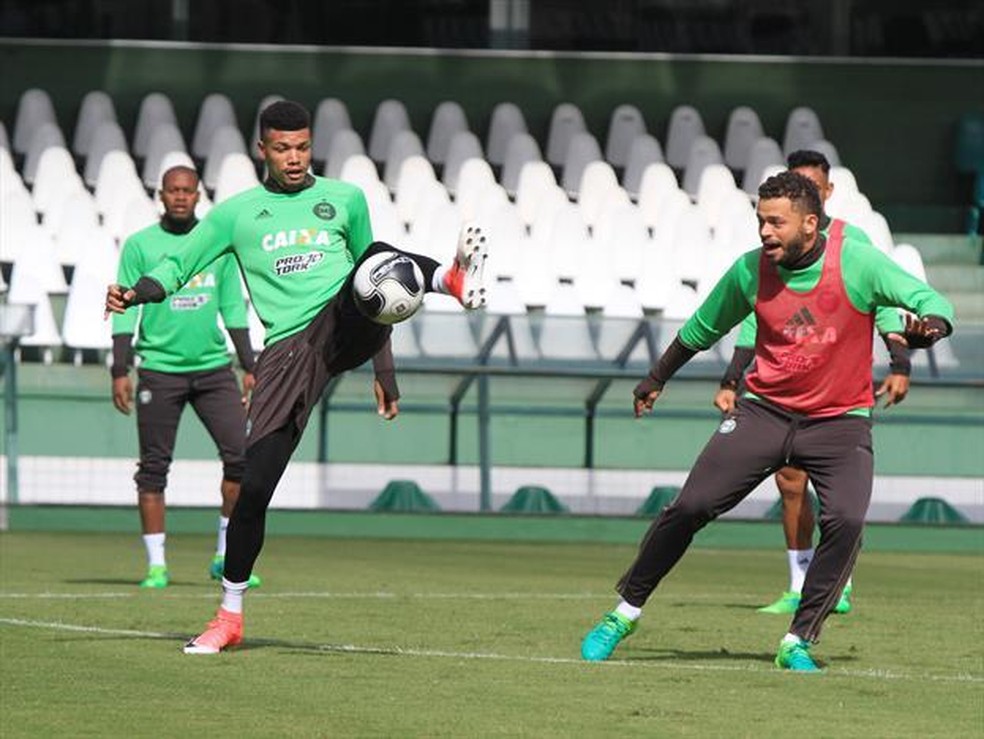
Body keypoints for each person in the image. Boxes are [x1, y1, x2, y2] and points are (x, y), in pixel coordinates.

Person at [104, 100, 488, 654]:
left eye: (303, 147)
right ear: (262, 149)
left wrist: (385, 368)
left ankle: (447, 279)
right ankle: (229, 617)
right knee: (254, 488)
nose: (294, 158)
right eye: (282, 148)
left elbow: (374, 277)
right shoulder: (236, 214)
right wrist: (137, 292)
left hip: (342, 321)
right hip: (287, 353)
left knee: (377, 257)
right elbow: (179, 264)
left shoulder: (344, 199)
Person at [580, 170, 953, 671]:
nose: (764, 232)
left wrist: (930, 328)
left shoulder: (857, 262)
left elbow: (931, 302)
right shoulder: (750, 270)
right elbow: (701, 328)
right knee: (691, 505)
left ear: (810, 224)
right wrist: (655, 378)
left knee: (847, 520)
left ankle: (797, 640)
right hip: (764, 413)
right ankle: (623, 613)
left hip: (839, 422)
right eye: (760, 220)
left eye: (776, 222)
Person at [714, 149, 912, 616]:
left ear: (825, 193)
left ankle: (836, 580)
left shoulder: (851, 241)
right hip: (782, 387)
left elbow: (882, 300)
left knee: (836, 494)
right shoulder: (774, 251)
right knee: (788, 483)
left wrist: (899, 361)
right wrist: (732, 377)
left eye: (812, 184)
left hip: (836, 390)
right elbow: (758, 315)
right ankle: (798, 580)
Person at [112, 165, 260, 589]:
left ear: (199, 196)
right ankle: (156, 565)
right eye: (173, 190)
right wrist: (119, 369)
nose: (180, 197)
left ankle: (224, 556)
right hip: (159, 370)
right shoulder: (140, 245)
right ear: (161, 195)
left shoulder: (216, 245)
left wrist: (249, 366)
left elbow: (233, 308)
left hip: (214, 370)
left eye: (188, 191)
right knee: (154, 469)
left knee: (241, 460)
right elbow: (126, 310)